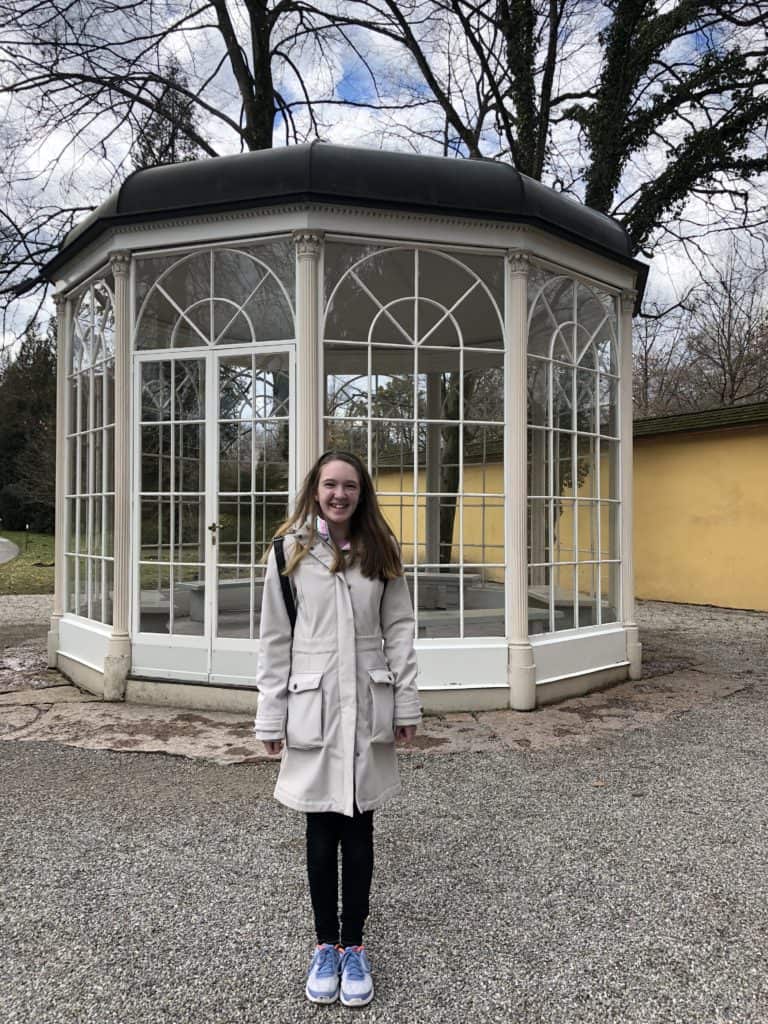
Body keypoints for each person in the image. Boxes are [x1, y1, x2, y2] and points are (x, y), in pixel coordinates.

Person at [253, 450, 421, 1008]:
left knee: (361, 830)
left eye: (349, 485)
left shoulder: (380, 550)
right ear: (315, 489)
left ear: (362, 492)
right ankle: (325, 943)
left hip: (367, 708)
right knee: (321, 835)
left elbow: (399, 630)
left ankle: (356, 946)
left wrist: (406, 705)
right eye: (330, 484)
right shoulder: (287, 551)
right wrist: (270, 714)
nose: (339, 494)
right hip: (315, 709)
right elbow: (276, 640)